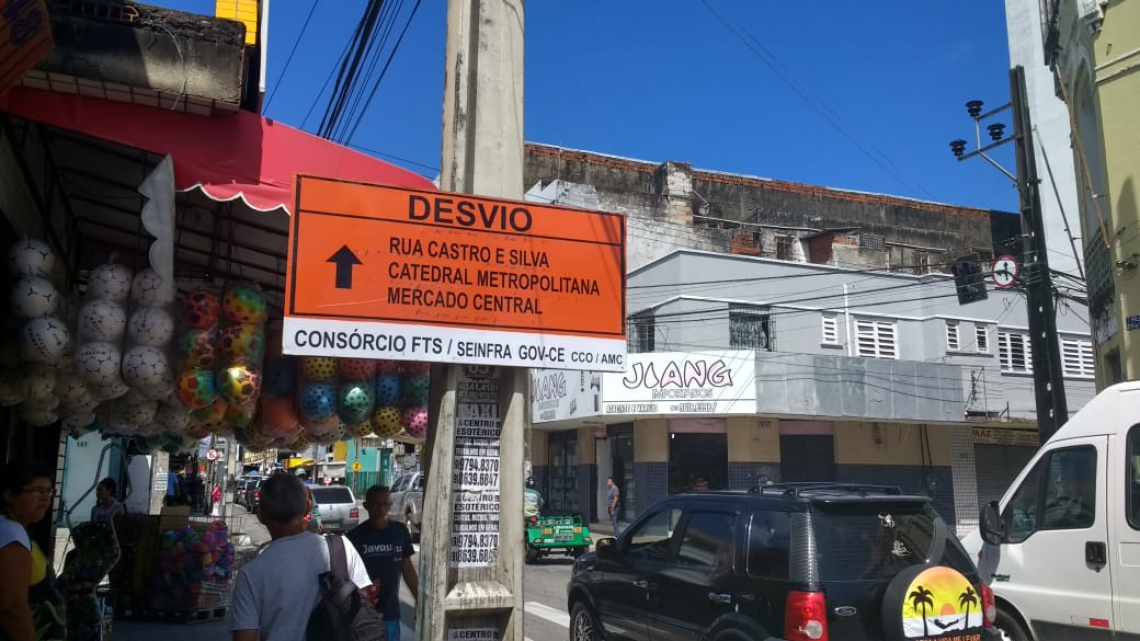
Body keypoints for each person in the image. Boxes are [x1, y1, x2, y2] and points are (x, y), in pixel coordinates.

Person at [229, 473, 372, 641]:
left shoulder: (250, 574)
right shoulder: (341, 547)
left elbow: (244, 637)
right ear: (308, 508)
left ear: (260, 516)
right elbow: (364, 607)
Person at [0, 459, 66, 641]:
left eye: (49, 491)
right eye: (36, 491)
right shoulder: (10, 533)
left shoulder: (16, 529)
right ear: (9, 495)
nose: (45, 498)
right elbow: (12, 608)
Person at [346, 485, 419, 641]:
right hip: (363, 616)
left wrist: (419, 599)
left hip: (390, 614)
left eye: (385, 504)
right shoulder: (354, 537)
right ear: (366, 506)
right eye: (375, 505)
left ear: (390, 505)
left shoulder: (400, 532)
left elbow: (407, 567)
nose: (380, 509)